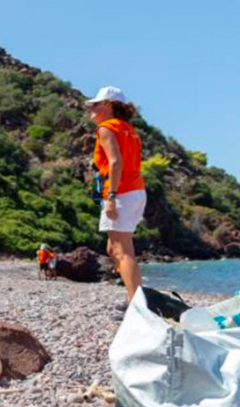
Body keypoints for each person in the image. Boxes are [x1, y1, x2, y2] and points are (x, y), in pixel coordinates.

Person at [86, 86, 146, 306]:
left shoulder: (106, 128)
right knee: (113, 249)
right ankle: (134, 296)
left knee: (122, 251)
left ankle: (136, 304)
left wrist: (111, 196)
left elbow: (115, 163)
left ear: (108, 106)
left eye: (95, 104)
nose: (91, 108)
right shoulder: (130, 130)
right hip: (136, 190)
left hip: (121, 192)